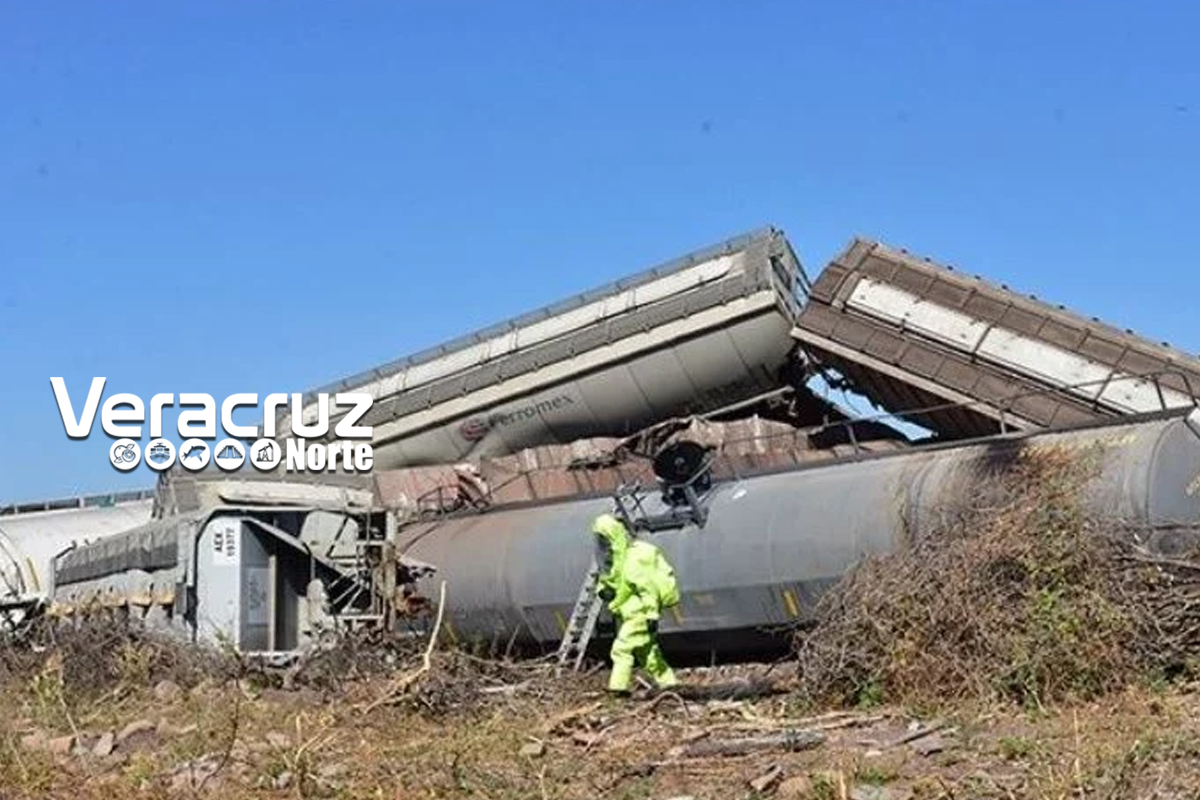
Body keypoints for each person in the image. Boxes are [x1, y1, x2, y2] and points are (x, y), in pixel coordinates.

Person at [590, 512, 681, 695]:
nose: (602, 544)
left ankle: (618, 689)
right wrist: (603, 591)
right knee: (648, 654)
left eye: (604, 539)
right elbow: (609, 580)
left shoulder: (632, 560)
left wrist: (652, 615)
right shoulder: (615, 561)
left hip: (640, 615)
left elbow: (648, 590)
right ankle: (670, 684)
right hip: (629, 614)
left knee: (621, 648)